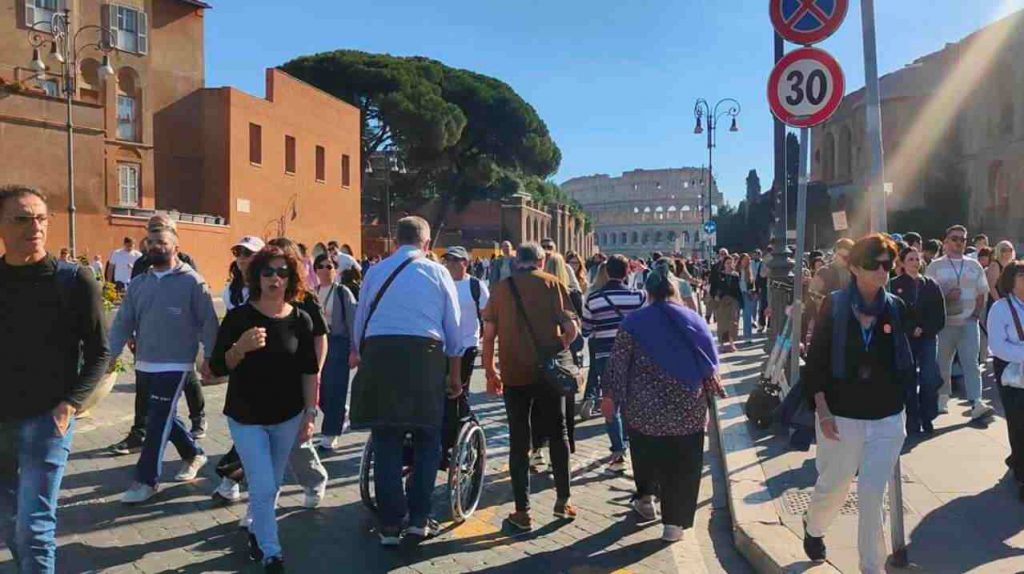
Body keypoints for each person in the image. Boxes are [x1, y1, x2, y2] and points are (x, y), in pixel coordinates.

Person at [0, 185, 110, 573]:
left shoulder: (73, 280)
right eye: (22, 219)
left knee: (33, 529)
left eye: (42, 218)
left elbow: (101, 352)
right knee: (9, 526)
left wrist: (70, 405)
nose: (36, 227)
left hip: (47, 421)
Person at [802, 234, 915, 572]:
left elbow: (903, 361)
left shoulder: (895, 307)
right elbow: (818, 360)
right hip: (841, 415)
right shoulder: (834, 305)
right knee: (833, 487)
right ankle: (814, 526)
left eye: (887, 264)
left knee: (870, 496)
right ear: (854, 267)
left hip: (887, 418)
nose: (883, 271)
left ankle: (871, 568)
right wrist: (822, 410)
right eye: (874, 264)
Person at [350, 216, 463, 545]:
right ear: (427, 244)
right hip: (423, 357)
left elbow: (361, 318)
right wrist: (454, 374)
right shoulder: (438, 271)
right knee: (428, 437)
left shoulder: (376, 270)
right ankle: (418, 519)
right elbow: (453, 328)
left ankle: (389, 523)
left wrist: (360, 354)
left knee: (386, 438)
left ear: (395, 240)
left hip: (380, 353)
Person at [210, 246, 319, 573]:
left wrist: (310, 413)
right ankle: (272, 551)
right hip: (246, 417)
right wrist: (239, 348)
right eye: (268, 272)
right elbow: (216, 367)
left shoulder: (301, 319)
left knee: (270, 481)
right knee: (263, 483)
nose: (275, 278)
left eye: (282, 272)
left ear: (292, 278)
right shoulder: (240, 318)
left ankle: (258, 530)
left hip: (287, 416)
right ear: (256, 276)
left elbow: (309, 371)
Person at [602, 266, 722, 542]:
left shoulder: (633, 322)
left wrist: (611, 399)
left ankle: (646, 499)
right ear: (674, 290)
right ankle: (674, 525)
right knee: (684, 464)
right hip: (688, 406)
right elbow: (710, 363)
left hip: (644, 409)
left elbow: (618, 366)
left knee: (646, 455)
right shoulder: (694, 320)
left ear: (648, 292)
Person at [108, 222, 218, 504]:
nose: (156, 246)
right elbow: (123, 321)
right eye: (151, 242)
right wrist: (111, 354)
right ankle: (194, 454)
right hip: (145, 361)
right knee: (162, 412)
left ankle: (146, 480)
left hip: (177, 362)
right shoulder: (139, 283)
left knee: (156, 420)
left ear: (176, 247)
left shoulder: (192, 281)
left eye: (162, 242)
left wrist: (210, 356)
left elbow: (208, 321)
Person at [483, 242, 580, 531]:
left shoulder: (501, 289)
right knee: (559, 431)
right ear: (541, 260)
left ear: (516, 262)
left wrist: (490, 370)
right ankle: (563, 501)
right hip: (548, 373)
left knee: (519, 440)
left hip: (514, 373)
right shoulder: (553, 283)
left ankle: (522, 511)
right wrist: (561, 345)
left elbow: (488, 335)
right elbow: (572, 328)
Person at [925, 225, 995, 420]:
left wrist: (975, 314)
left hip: (968, 323)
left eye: (962, 239)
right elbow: (927, 295)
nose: (958, 242)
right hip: (944, 323)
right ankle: (942, 397)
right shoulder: (935, 266)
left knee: (971, 363)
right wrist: (946, 296)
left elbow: (982, 292)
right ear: (946, 241)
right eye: (954, 238)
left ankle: (977, 402)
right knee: (942, 363)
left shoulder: (974, 265)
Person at [580, 254, 647, 450]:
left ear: (606, 272)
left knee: (611, 403)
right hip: (632, 356)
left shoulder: (593, 299)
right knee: (630, 401)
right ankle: (628, 440)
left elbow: (586, 330)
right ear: (627, 272)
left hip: (604, 356)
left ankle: (618, 449)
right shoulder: (639, 297)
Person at [890, 247, 946, 434]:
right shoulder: (894, 285)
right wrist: (909, 329)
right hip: (906, 339)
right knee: (909, 379)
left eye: (917, 259)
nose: (915, 262)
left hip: (928, 338)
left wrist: (925, 328)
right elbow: (893, 313)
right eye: (910, 259)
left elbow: (939, 315)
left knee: (929, 378)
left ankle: (927, 416)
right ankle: (912, 419)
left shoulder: (930, 285)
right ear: (903, 263)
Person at [986, 261, 1024, 503]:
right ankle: (1022, 475)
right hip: (1012, 372)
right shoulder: (1001, 308)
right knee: (1019, 423)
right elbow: (997, 346)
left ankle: (1016, 459)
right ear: (1011, 280)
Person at [314, 253, 357, 452]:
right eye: (321, 266)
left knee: (336, 389)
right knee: (320, 391)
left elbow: (353, 322)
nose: (325, 269)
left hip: (338, 343)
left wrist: (354, 350)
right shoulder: (313, 292)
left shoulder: (342, 292)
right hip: (318, 343)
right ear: (315, 270)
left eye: (329, 266)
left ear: (336, 270)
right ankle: (341, 413)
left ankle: (330, 435)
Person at [714, 256, 741, 352]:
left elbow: (738, 290)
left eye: (731, 263)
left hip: (733, 300)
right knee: (722, 323)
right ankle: (721, 343)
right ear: (724, 264)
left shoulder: (736, 275)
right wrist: (716, 296)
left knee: (733, 323)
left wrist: (740, 302)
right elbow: (715, 288)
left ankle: (731, 343)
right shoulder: (720, 275)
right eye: (727, 263)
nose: (729, 265)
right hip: (722, 300)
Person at [738, 253, 756, 343]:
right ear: (740, 260)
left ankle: (748, 336)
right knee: (734, 316)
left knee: (747, 315)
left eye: (748, 260)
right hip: (737, 294)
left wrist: (752, 291)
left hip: (746, 294)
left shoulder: (749, 271)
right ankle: (731, 336)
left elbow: (752, 284)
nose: (746, 262)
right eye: (745, 259)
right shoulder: (736, 270)